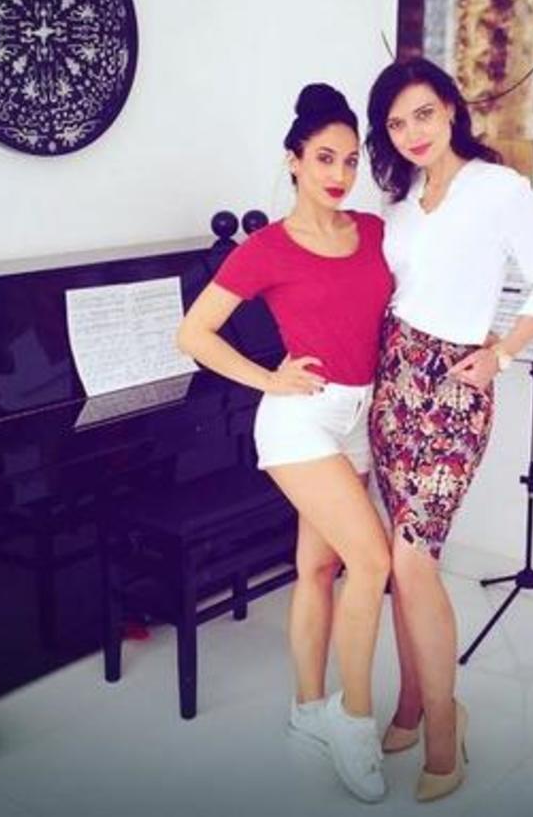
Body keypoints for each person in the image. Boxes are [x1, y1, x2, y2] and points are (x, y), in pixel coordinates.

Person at [177, 84, 394, 804]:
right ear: (294, 160)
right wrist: (269, 378)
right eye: (325, 158)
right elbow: (193, 334)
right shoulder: (266, 247)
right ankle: (353, 720)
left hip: (358, 416)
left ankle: (306, 709)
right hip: (300, 420)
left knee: (319, 566)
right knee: (372, 561)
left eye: (351, 160)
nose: (340, 173)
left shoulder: (373, 231)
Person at [365, 57, 533, 803]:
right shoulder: (401, 203)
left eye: (423, 113)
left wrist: (502, 353)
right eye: (396, 123)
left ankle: (446, 724)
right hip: (394, 383)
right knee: (404, 562)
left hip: (455, 388)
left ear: (450, 107)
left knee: (412, 559)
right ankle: (410, 703)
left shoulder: (499, 189)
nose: (412, 132)